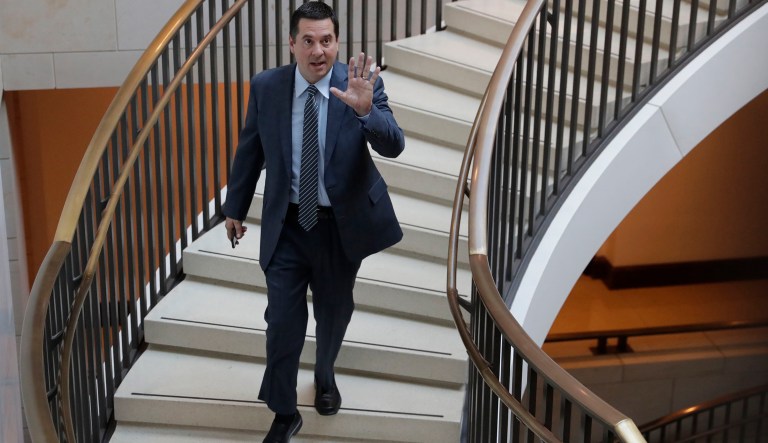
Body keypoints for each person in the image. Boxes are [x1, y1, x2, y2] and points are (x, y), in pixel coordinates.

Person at [223, 2, 405, 442]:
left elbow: (394, 144)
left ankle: (325, 374)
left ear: (336, 42)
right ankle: (285, 413)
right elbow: (251, 149)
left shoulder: (359, 84)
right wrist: (235, 207)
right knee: (282, 322)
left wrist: (365, 112)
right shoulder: (268, 87)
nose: (318, 51)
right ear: (292, 43)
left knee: (332, 315)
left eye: (326, 40)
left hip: (339, 228)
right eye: (308, 40)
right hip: (288, 225)